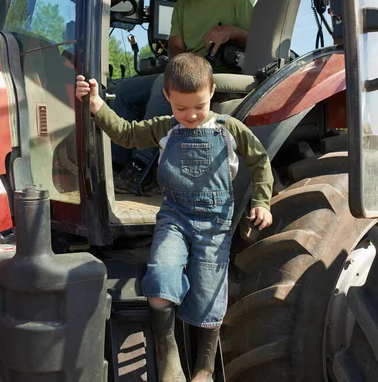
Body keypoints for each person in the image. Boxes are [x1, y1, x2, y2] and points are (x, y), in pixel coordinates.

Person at [76, 53, 273, 381]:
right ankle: (167, 352)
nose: (191, 115)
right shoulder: (164, 128)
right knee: (160, 278)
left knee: (208, 292)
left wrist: (262, 201)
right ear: (167, 97)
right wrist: (96, 103)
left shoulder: (229, 129)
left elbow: (260, 160)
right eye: (181, 109)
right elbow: (125, 133)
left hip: (215, 223)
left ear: (211, 91)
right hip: (175, 216)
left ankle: (204, 369)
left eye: (198, 106)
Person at [102, 0, 255, 194]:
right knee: (124, 89)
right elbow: (175, 45)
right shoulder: (183, 6)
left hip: (219, 72)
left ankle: (142, 170)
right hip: (188, 67)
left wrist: (232, 31)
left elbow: (258, 42)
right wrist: (179, 65)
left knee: (162, 86)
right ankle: (117, 165)